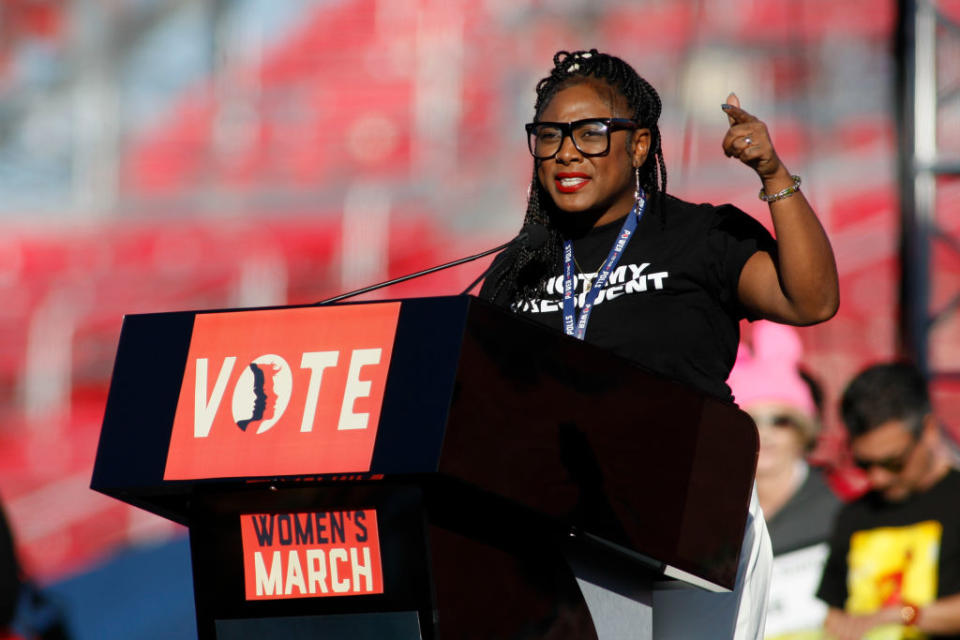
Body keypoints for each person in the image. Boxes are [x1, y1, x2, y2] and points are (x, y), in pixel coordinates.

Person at [479, 49, 839, 639]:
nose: (567, 151)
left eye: (591, 133)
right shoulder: (517, 268)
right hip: (559, 527)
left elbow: (811, 300)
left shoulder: (699, 236)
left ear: (640, 146)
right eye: (549, 135)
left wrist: (774, 177)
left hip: (692, 519)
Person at [816, 362, 960, 640]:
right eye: (864, 463)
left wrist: (902, 615)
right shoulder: (852, 516)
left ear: (929, 430)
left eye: (893, 463)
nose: (878, 478)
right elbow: (834, 612)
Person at [728, 320, 842, 638]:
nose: (765, 435)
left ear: (805, 428)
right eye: (750, 421)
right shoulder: (710, 514)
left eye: (781, 421)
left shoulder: (839, 508)